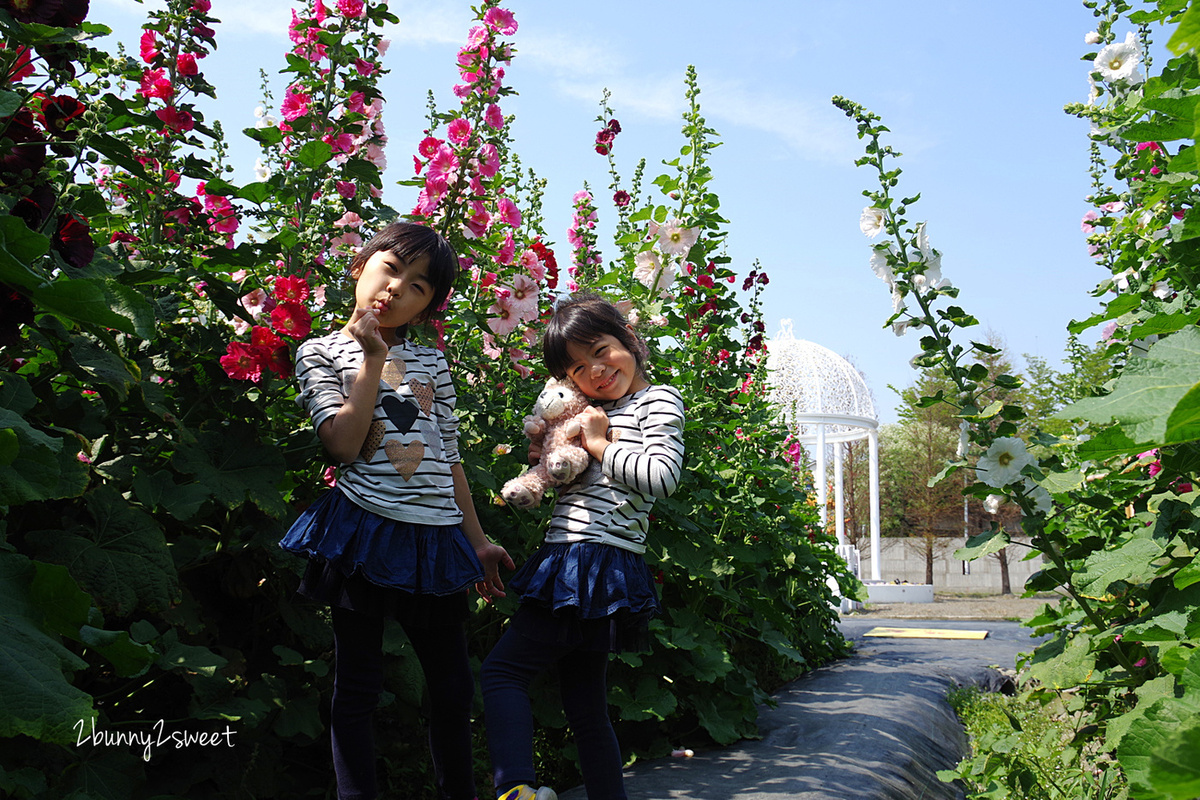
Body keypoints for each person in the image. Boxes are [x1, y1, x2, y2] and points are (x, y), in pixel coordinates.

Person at [279, 222, 513, 800]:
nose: (396, 289)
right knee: (357, 685)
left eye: (418, 287)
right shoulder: (320, 352)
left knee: (454, 688)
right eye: (390, 268)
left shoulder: (433, 365)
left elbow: (448, 458)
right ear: (361, 266)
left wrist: (478, 541)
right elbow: (342, 443)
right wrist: (370, 360)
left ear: (429, 305)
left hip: (436, 540)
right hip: (364, 528)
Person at [481, 294, 686, 800]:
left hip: (587, 559)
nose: (594, 370)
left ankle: (515, 790)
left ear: (629, 341)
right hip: (583, 559)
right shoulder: (595, 411)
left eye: (601, 350)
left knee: (502, 672)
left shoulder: (657, 401)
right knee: (585, 706)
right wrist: (555, 458)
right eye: (576, 367)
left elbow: (661, 477)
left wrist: (597, 446)